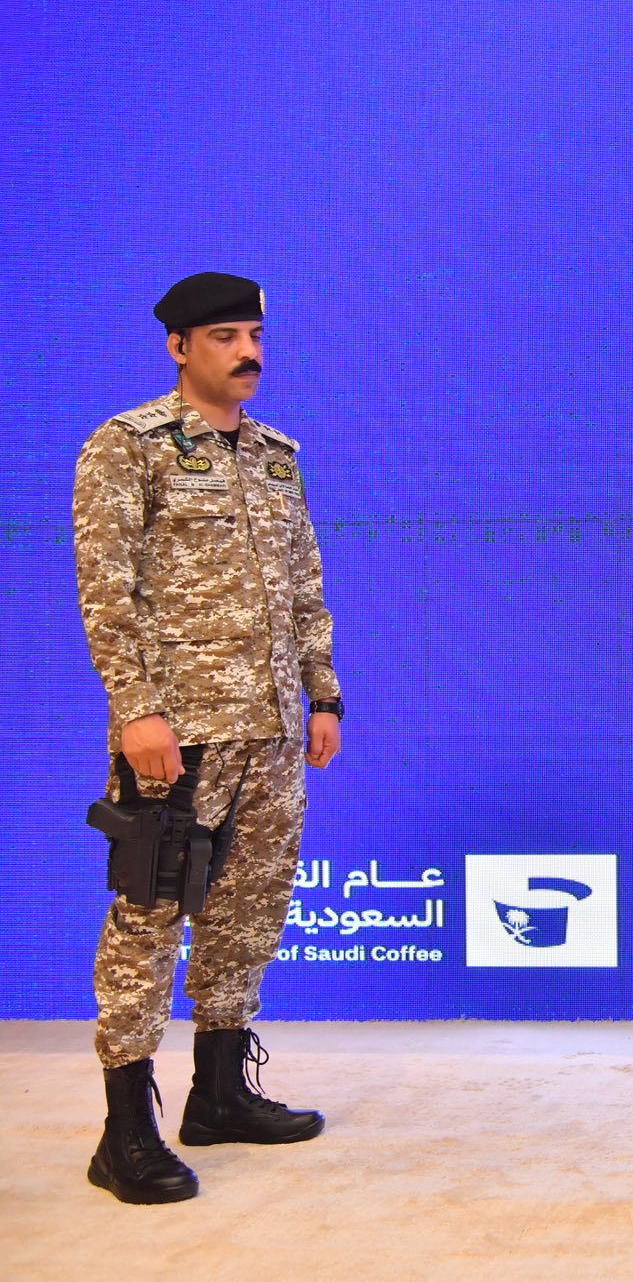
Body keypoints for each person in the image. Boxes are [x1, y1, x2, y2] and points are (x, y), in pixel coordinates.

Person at [74, 272, 342, 1204]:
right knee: (149, 918)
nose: (247, 352)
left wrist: (322, 694)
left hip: (271, 729)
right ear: (180, 347)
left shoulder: (275, 455)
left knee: (247, 911)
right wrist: (136, 708)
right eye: (225, 336)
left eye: (254, 335)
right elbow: (106, 587)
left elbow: (304, 583)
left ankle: (220, 1095)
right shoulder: (130, 446)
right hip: (178, 733)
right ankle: (124, 1133)